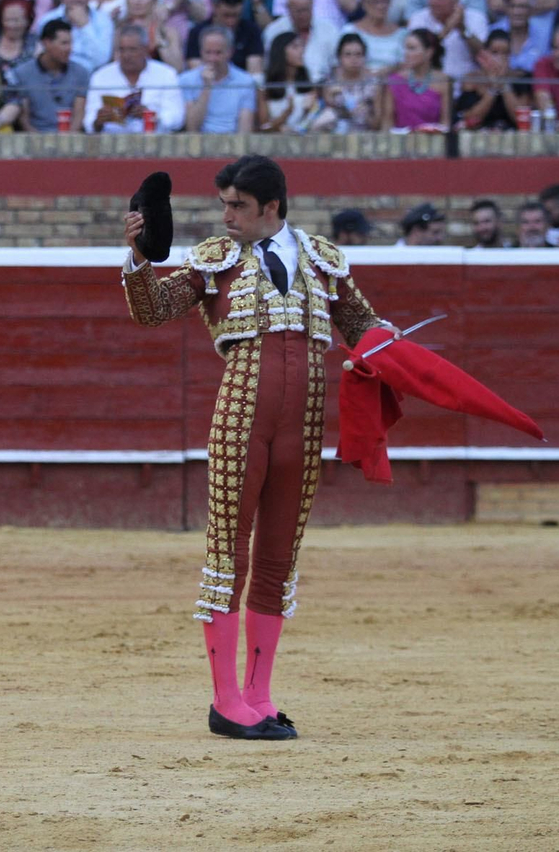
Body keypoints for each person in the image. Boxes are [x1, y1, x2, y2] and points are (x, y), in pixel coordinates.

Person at [119, 154, 389, 740]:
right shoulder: (214, 260)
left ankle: (259, 697)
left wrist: (397, 350)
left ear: (272, 207)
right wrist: (140, 259)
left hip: (306, 425)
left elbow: (363, 325)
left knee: (276, 559)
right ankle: (225, 702)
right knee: (228, 555)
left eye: (238, 206)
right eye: (224, 205)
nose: (227, 216)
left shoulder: (322, 258)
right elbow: (150, 312)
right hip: (242, 416)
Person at [84, 23, 184, 135]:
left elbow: (177, 119)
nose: (126, 55)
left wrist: (152, 116)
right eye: (122, 50)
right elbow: (89, 122)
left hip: (154, 144)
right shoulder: (100, 76)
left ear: (145, 50)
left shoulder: (166, 74)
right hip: (111, 145)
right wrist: (99, 121)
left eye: (132, 50)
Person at [11, 18, 88, 133]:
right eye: (64, 43)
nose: (69, 48)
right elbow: (24, 120)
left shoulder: (80, 72)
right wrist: (40, 144)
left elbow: (79, 114)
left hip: (70, 139)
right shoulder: (23, 73)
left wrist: (68, 142)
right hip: (34, 140)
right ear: (46, 43)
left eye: (71, 43)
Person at [180, 28, 257, 133]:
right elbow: (192, 127)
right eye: (208, 53)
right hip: (198, 143)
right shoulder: (186, 80)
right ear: (201, 52)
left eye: (218, 53)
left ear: (230, 52)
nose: (212, 59)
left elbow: (245, 128)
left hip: (233, 142)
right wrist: (206, 87)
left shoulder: (245, 82)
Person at [380, 28, 451, 128]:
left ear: (429, 52)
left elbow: (445, 122)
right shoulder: (395, 81)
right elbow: (387, 121)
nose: (406, 54)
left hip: (433, 140)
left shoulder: (443, 81)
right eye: (406, 48)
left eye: (412, 48)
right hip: (400, 140)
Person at [259, 32, 320, 132]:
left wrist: (307, 113)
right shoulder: (264, 87)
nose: (301, 51)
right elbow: (264, 127)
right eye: (295, 47)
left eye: (302, 46)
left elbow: (313, 118)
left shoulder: (309, 84)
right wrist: (287, 113)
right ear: (281, 51)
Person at [322, 34, 380, 131]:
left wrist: (366, 117)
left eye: (358, 54)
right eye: (348, 54)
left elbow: (378, 124)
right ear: (339, 57)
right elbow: (325, 118)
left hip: (366, 138)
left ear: (364, 56)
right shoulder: (330, 83)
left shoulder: (374, 84)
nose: (353, 60)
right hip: (335, 138)